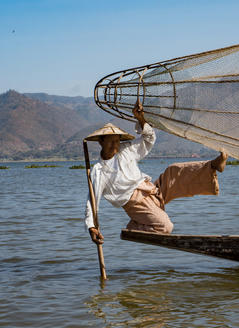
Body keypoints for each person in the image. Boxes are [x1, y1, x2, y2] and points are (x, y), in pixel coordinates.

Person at [85, 101, 228, 245]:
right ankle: (133, 228)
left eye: (117, 141)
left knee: (175, 171)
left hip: (151, 189)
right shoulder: (99, 171)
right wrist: (91, 226)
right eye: (111, 141)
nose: (115, 145)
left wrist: (140, 119)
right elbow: (92, 200)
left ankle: (213, 166)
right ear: (101, 142)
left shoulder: (125, 149)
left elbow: (148, 139)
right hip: (136, 204)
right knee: (166, 227)